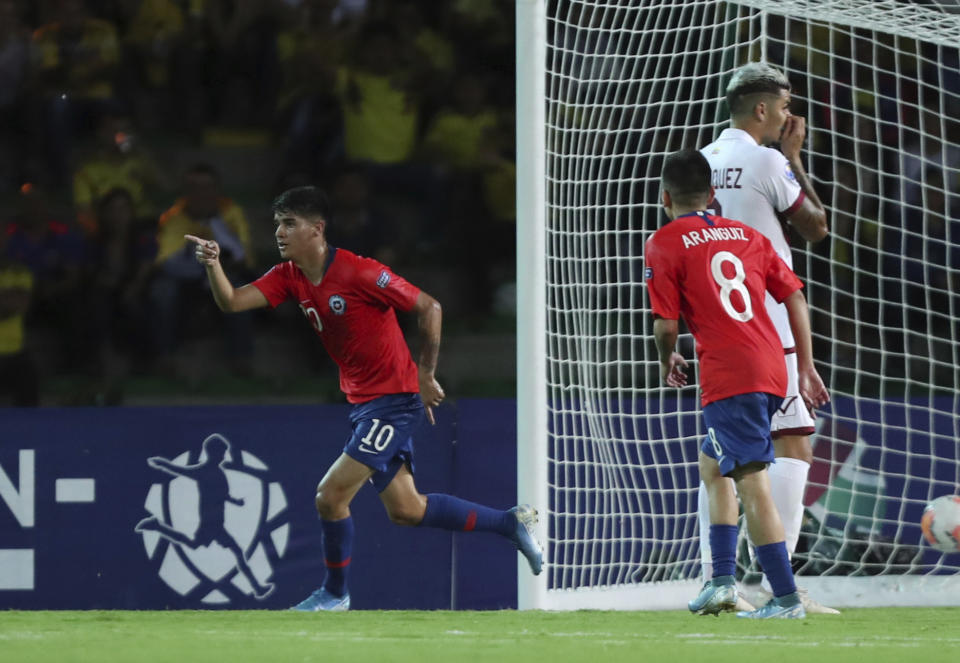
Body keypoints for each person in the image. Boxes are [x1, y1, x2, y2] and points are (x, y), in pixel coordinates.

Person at [183, 185, 542, 611]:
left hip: (395, 400)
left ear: (317, 229)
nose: (279, 232)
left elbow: (431, 308)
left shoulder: (359, 272)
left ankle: (335, 595)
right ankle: (508, 522)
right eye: (277, 223)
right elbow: (232, 302)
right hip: (365, 405)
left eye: (289, 223)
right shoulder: (289, 276)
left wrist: (425, 375)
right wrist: (213, 265)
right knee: (406, 509)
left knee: (329, 496)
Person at [645, 149, 829, 618]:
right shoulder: (748, 236)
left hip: (731, 373)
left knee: (751, 481)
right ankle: (723, 582)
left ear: (664, 197)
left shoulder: (664, 242)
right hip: (771, 364)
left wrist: (668, 357)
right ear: (712, 196)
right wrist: (804, 366)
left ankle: (786, 598)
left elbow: (666, 326)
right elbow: (794, 297)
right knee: (714, 466)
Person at [698, 62, 836, 614]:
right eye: (783, 105)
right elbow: (816, 227)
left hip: (716, 327)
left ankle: (722, 578)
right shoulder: (767, 159)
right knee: (792, 444)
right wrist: (796, 159)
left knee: (724, 456)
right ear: (761, 109)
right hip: (769, 325)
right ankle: (777, 585)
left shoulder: (703, 160)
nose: (788, 116)